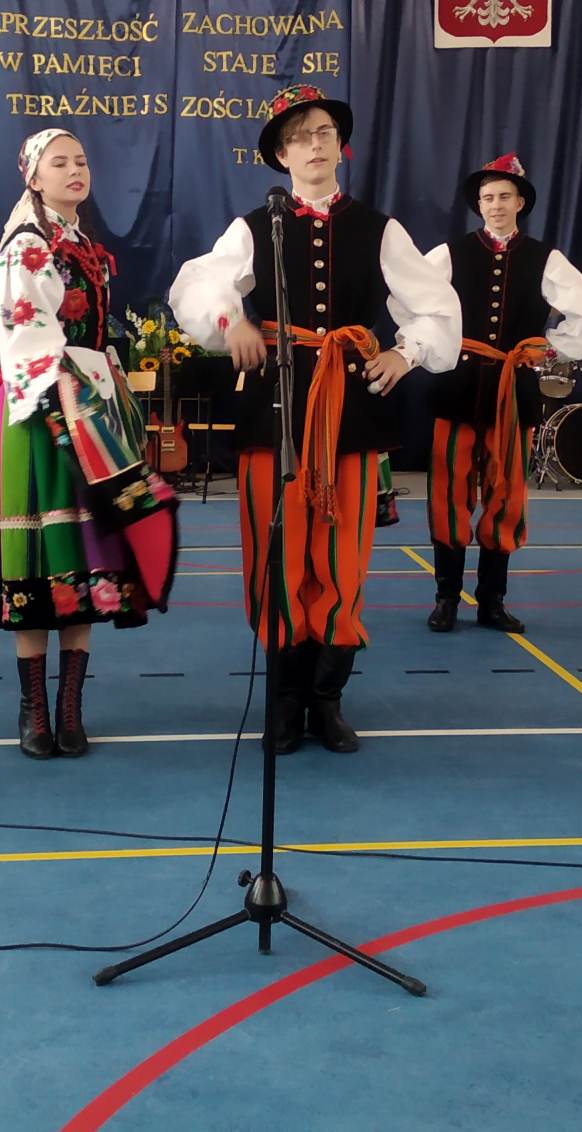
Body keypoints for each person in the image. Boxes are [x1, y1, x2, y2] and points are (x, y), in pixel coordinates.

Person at [170, 84, 460, 754]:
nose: (315, 144)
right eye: (300, 136)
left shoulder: (380, 228)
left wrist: (406, 352)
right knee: (276, 555)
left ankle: (327, 699)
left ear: (341, 145)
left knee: (342, 556)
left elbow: (436, 305)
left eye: (325, 131)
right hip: (272, 409)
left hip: (349, 413)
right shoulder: (255, 226)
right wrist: (231, 320)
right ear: (281, 154)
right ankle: (283, 699)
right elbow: (197, 285)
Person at [0, 127, 180, 758]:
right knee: (40, 553)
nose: (74, 170)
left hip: (86, 404)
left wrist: (105, 388)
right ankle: (34, 709)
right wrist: (71, 394)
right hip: (43, 412)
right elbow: (25, 336)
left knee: (85, 553)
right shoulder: (28, 245)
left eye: (81, 161)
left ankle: (70, 708)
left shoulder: (80, 244)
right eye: (59, 162)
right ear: (33, 177)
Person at [422, 153, 582, 633]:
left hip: (513, 391)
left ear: (520, 202)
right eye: (488, 198)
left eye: (505, 196)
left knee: (506, 494)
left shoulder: (545, 258)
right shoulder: (449, 254)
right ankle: (446, 597)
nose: (496, 205)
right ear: (478, 204)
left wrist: (553, 347)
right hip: (457, 386)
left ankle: (492, 600)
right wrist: (434, 344)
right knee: (448, 492)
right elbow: (408, 300)